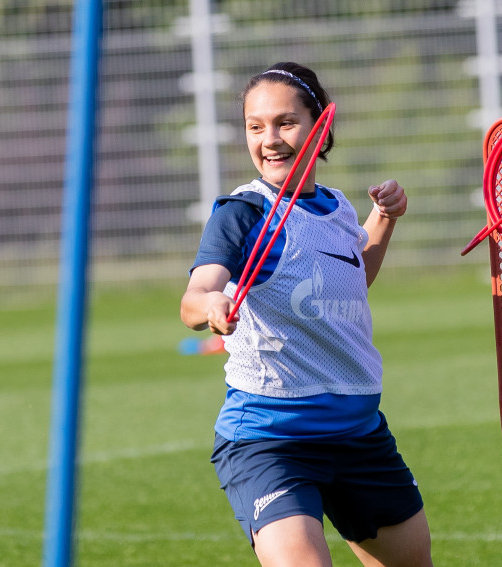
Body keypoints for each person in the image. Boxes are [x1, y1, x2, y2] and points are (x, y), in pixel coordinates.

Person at [180, 62, 434, 567]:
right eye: (255, 127)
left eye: (285, 123)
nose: (269, 139)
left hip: (360, 436)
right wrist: (212, 305)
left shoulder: (337, 209)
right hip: (272, 442)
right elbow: (196, 293)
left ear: (321, 129)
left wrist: (383, 219)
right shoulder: (243, 212)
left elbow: (352, 281)